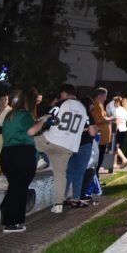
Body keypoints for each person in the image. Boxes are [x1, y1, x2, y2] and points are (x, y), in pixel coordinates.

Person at [31, 83, 87, 214]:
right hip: (68, 147)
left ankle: (41, 158)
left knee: (29, 139)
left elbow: (50, 119)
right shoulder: (83, 108)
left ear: (64, 94)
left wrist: (43, 119)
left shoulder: (62, 103)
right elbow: (84, 127)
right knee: (60, 175)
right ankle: (58, 204)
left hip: (52, 140)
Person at [0, 88, 38, 233]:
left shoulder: (10, 114)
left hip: (7, 153)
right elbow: (31, 131)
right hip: (22, 153)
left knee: (15, 186)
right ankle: (12, 222)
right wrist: (43, 121)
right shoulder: (26, 115)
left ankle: (10, 218)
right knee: (20, 188)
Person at [63, 96, 98, 207]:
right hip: (84, 145)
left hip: (70, 144)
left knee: (68, 172)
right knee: (79, 173)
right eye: (92, 105)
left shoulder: (73, 111)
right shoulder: (86, 113)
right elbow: (92, 132)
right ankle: (76, 198)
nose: (93, 107)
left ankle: (62, 197)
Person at [89, 88, 112, 176]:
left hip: (103, 138)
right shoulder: (95, 105)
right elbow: (97, 120)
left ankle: (96, 176)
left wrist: (108, 119)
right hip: (99, 137)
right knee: (97, 158)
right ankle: (94, 177)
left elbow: (103, 117)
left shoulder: (100, 105)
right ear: (100, 96)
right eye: (105, 96)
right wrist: (110, 120)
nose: (106, 98)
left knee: (100, 157)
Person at [112, 96, 127, 168]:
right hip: (124, 130)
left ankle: (124, 159)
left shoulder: (117, 110)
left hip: (118, 129)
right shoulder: (125, 110)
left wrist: (114, 131)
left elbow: (117, 120)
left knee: (115, 147)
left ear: (116, 102)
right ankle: (115, 163)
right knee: (116, 147)